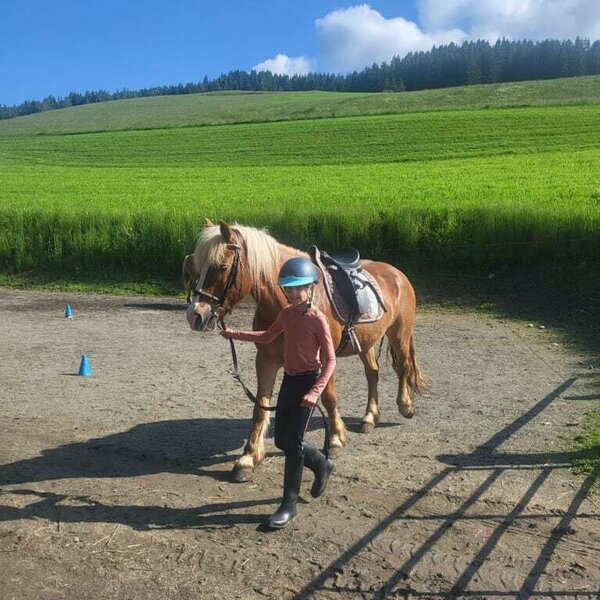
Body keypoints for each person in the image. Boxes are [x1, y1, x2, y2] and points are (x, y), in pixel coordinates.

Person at [220, 256, 336, 529]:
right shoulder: (285, 315)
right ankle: (321, 464)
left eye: (299, 288)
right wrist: (234, 334)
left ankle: (289, 504)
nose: (294, 293)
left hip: (308, 382)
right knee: (283, 441)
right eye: (289, 288)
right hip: (289, 380)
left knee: (293, 446)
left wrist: (316, 391)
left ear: (312, 288)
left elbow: (330, 360)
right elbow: (266, 337)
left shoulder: (318, 320)